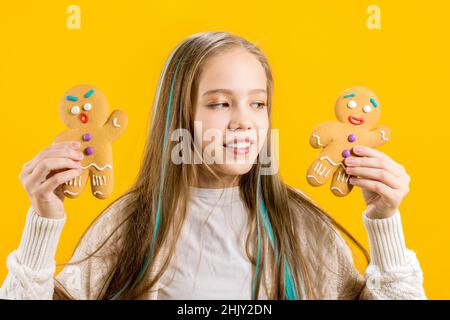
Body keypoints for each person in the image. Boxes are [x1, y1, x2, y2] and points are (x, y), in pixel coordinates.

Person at [0, 32, 426, 300]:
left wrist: (384, 219)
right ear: (179, 116)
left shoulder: (299, 223)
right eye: (220, 103)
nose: (244, 120)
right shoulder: (131, 223)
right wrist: (44, 220)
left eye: (258, 103)